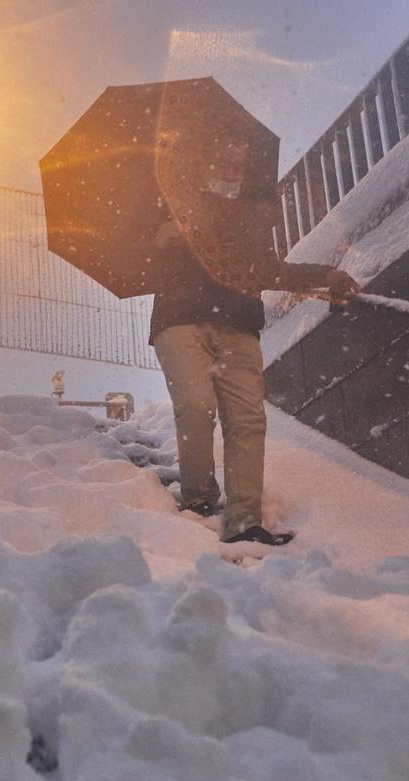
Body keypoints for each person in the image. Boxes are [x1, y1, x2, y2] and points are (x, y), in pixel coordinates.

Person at [151, 219, 360, 546]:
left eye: (236, 165)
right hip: (179, 319)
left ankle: (244, 520)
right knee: (195, 405)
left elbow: (269, 269)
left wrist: (326, 276)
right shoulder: (172, 202)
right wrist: (159, 237)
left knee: (247, 419)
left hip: (238, 324)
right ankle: (198, 499)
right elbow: (141, 265)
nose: (230, 167)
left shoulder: (243, 217)